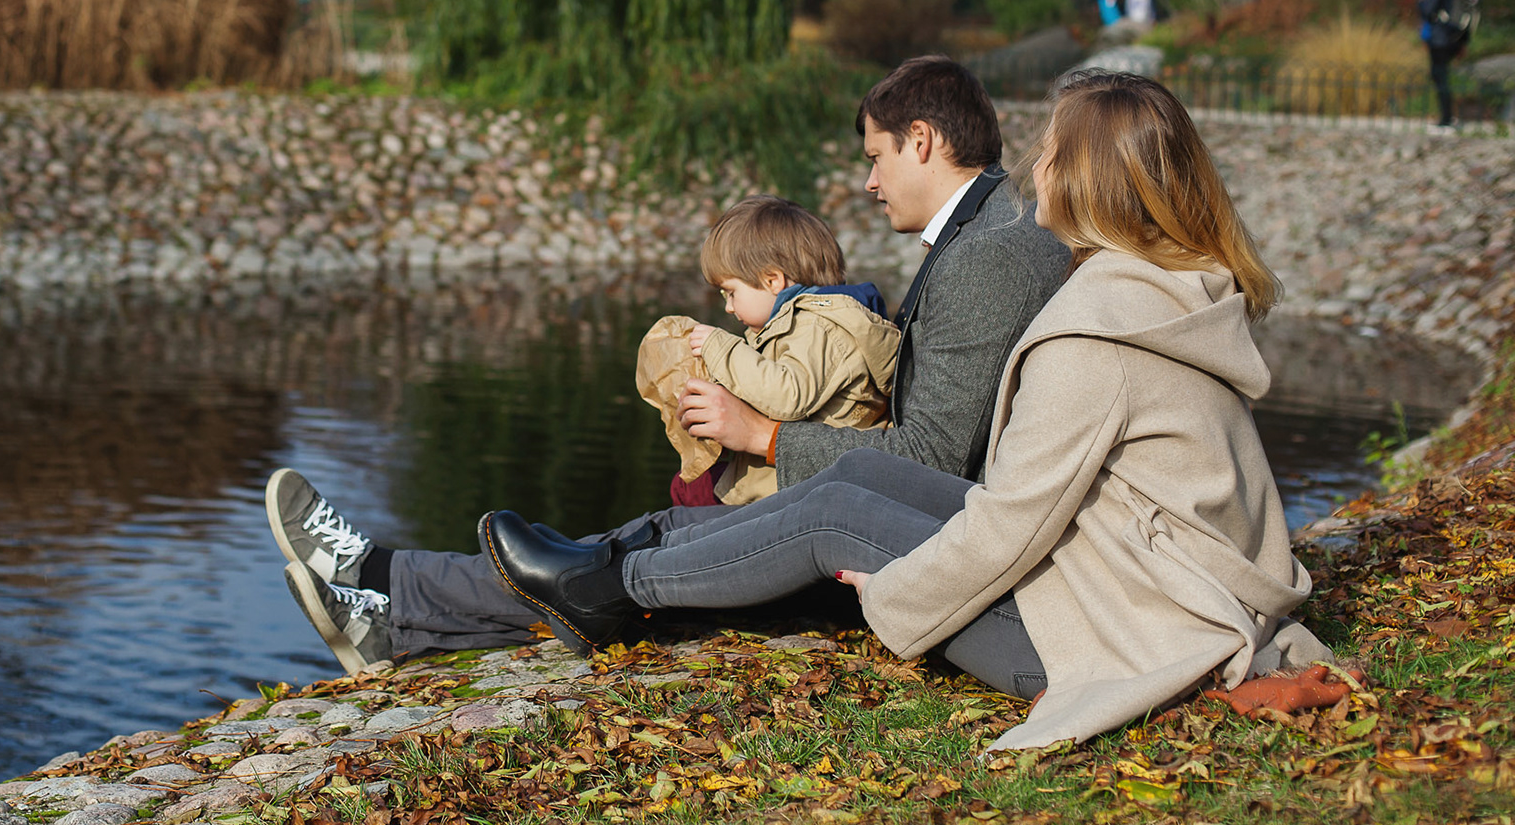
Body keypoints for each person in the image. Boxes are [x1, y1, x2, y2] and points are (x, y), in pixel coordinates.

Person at [481, 72, 1336, 751]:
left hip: (1102, 637)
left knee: (835, 522)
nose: (1033, 168)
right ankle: (618, 560)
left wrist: (894, 587)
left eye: (1048, 151)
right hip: (1142, 595)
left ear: (1084, 180)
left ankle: (611, 589)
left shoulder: (1096, 339)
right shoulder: (1168, 293)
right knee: (858, 471)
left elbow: (1010, 525)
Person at [267, 56, 1072, 675]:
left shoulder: (987, 258)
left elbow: (931, 457)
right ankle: (391, 601)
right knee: (632, 546)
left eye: (876, 156)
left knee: (643, 548)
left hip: (909, 545)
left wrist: (766, 438)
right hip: (918, 525)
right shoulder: (989, 236)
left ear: (922, 141)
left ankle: (387, 587)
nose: (868, 180)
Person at [651, 194, 898, 508]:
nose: (728, 308)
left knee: (691, 493)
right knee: (688, 485)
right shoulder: (793, 328)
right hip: (782, 482)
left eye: (731, 292)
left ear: (772, 281)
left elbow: (787, 396)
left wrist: (721, 348)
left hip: (795, 491)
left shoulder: (819, 327)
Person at [1411, 0, 1465, 132]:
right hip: (1456, 35)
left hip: (1440, 37)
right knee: (1444, 76)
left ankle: (1446, 118)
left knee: (1439, 75)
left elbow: (1428, 11)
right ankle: (1449, 116)